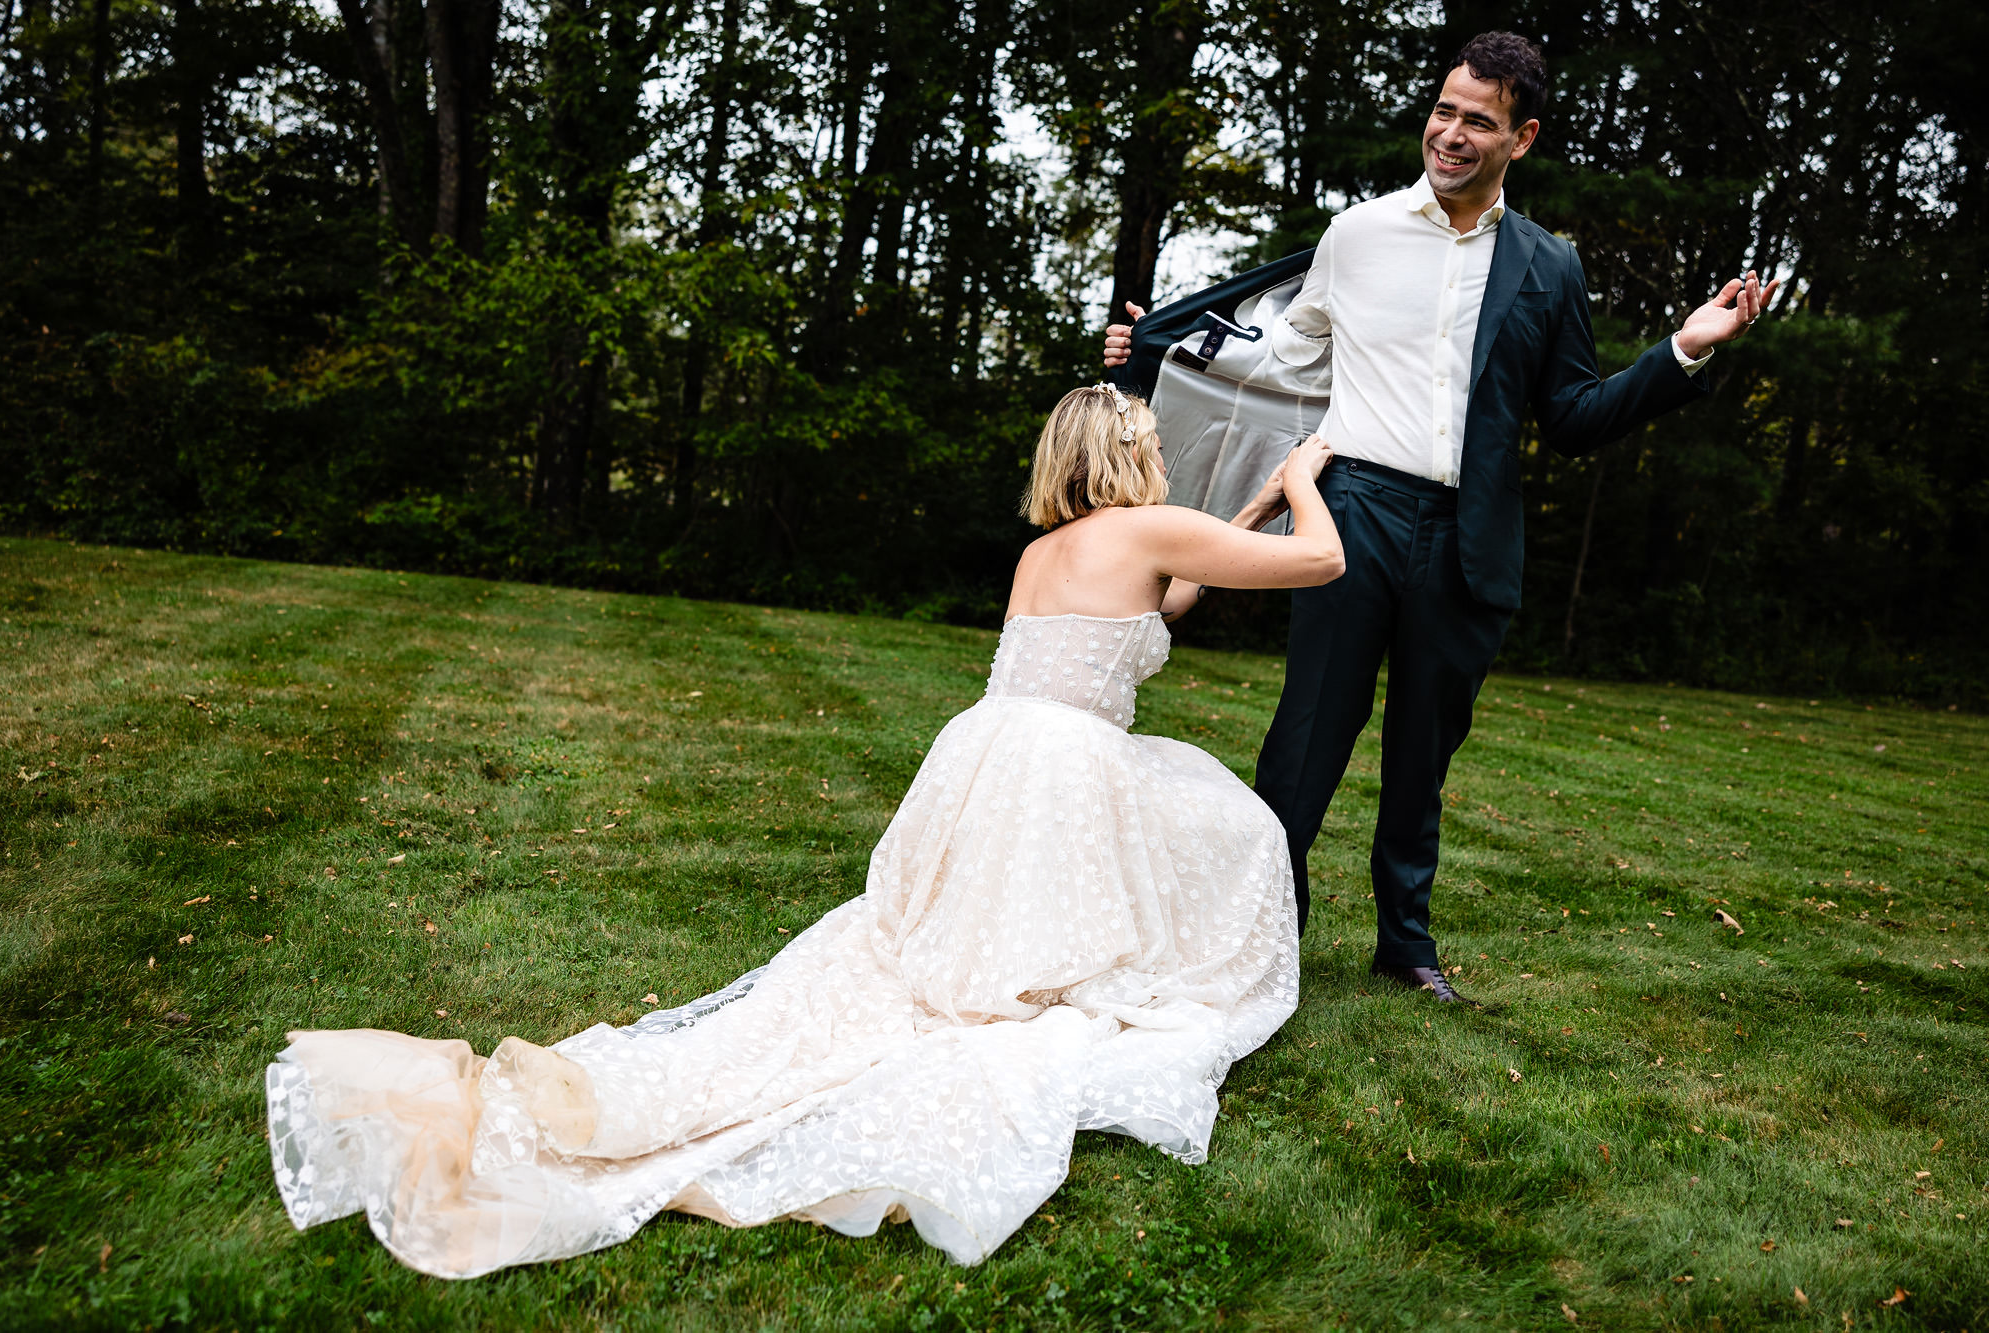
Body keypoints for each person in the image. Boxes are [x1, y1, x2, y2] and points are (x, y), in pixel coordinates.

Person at [264, 385, 1344, 1277]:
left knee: (970, 930)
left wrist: (1239, 515)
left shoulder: (1050, 550)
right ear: (1122, 452)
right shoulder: (1149, 527)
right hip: (1062, 764)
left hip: (985, 753)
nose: (1162, 454)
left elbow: (1165, 602)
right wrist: (1300, 484)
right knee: (1236, 826)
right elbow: (1321, 565)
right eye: (1152, 441)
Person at [1103, 32, 1777, 1003]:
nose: (1450, 134)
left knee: (1422, 754)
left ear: (1521, 137)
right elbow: (1273, 359)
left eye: (1478, 121)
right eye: (1444, 110)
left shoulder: (1547, 269)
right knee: (1305, 735)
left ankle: (1403, 946)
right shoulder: (1358, 235)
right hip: (1353, 513)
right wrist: (1151, 350)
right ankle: (1261, 931)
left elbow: (1574, 418)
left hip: (1469, 538)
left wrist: (1679, 351)